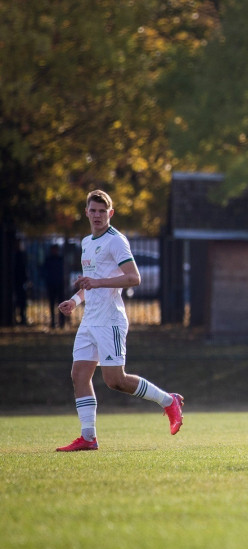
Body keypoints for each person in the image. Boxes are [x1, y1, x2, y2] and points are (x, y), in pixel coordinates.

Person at [55, 190, 183, 451]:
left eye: (102, 211)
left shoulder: (116, 241)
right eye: (93, 210)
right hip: (89, 321)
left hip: (110, 321)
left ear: (110, 213)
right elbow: (89, 282)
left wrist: (98, 282)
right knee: (79, 375)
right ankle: (88, 437)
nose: (97, 215)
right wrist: (75, 301)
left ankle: (169, 401)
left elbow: (134, 278)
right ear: (86, 212)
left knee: (115, 380)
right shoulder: (86, 242)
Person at [43, 244, 66, 328]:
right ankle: (53, 322)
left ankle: (62, 322)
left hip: (60, 285)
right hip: (51, 284)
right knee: (52, 304)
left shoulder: (60, 259)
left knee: (61, 304)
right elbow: (44, 272)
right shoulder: (48, 260)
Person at [14, 241, 29, 325]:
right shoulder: (14, 255)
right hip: (15, 282)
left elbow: (24, 269)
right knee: (16, 301)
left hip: (21, 282)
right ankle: (16, 317)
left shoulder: (22, 255)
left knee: (22, 301)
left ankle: (22, 317)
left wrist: (26, 280)